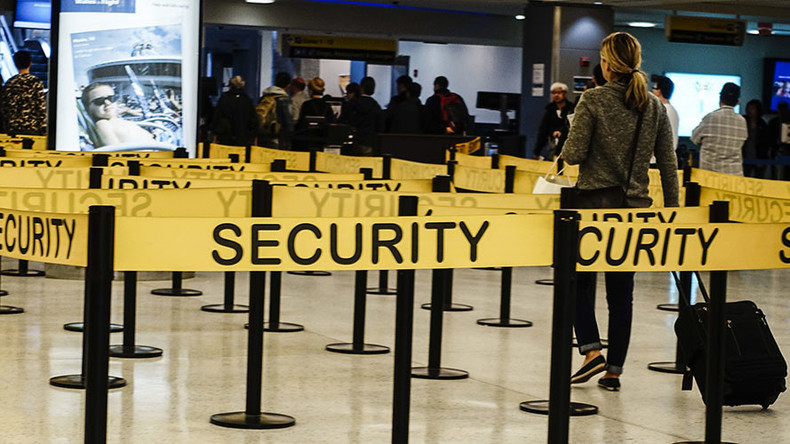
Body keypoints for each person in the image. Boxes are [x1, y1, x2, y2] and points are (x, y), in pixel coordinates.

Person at [562, 32, 679, 391]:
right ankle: (614, 372)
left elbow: (574, 154)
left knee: (577, 282)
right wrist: (674, 210)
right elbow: (668, 162)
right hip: (635, 209)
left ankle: (591, 351)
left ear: (607, 63)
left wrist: (565, 142)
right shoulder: (654, 106)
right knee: (621, 292)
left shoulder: (592, 99)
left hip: (594, 206)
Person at [691, 83, 748, 176]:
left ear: (720, 98)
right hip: (734, 177)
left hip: (710, 176)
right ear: (737, 101)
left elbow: (694, 138)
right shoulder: (742, 121)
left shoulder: (710, 118)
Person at [81, 82, 154, 148]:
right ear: (88, 107)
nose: (108, 103)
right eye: (99, 101)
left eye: (111, 98)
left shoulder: (115, 120)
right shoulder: (103, 124)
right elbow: (115, 151)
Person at [0, 51, 47, 135]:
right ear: (30, 63)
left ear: (15, 63)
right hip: (32, 129)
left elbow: (4, 108)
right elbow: (40, 108)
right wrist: (43, 129)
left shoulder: (10, 83)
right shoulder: (35, 82)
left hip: (12, 129)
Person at [338, 76, 381, 156]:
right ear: (373, 90)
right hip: (370, 142)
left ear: (361, 88)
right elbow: (380, 126)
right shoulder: (376, 106)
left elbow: (343, 121)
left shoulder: (353, 103)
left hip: (355, 141)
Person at [211, 75, 258, 147]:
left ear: (230, 86)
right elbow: (253, 121)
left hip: (225, 138)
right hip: (243, 138)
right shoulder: (247, 101)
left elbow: (217, 118)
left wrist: (215, 134)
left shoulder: (224, 99)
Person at [533, 82, 574, 159]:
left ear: (565, 94)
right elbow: (543, 132)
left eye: (559, 92)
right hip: (552, 146)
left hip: (568, 146)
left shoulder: (572, 109)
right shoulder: (549, 111)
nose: (556, 95)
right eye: (554, 93)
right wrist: (537, 151)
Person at [257, 71, 294, 149]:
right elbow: (288, 123)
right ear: (288, 85)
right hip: (278, 139)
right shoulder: (284, 100)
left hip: (263, 138)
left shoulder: (264, 97)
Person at [652, 75, 679, 159]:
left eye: (654, 88)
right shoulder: (672, 110)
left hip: (658, 159)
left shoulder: (663, 110)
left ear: (658, 91)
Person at [742, 99, 768, 178]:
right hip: (745, 156)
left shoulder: (762, 124)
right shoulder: (743, 121)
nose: (750, 111)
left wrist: (761, 159)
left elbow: (765, 143)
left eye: (752, 108)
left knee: (759, 179)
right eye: (748, 108)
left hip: (758, 156)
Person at [767, 101, 790, 179]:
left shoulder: (774, 122)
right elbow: (770, 138)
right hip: (776, 152)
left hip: (787, 152)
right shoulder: (773, 122)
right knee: (775, 175)